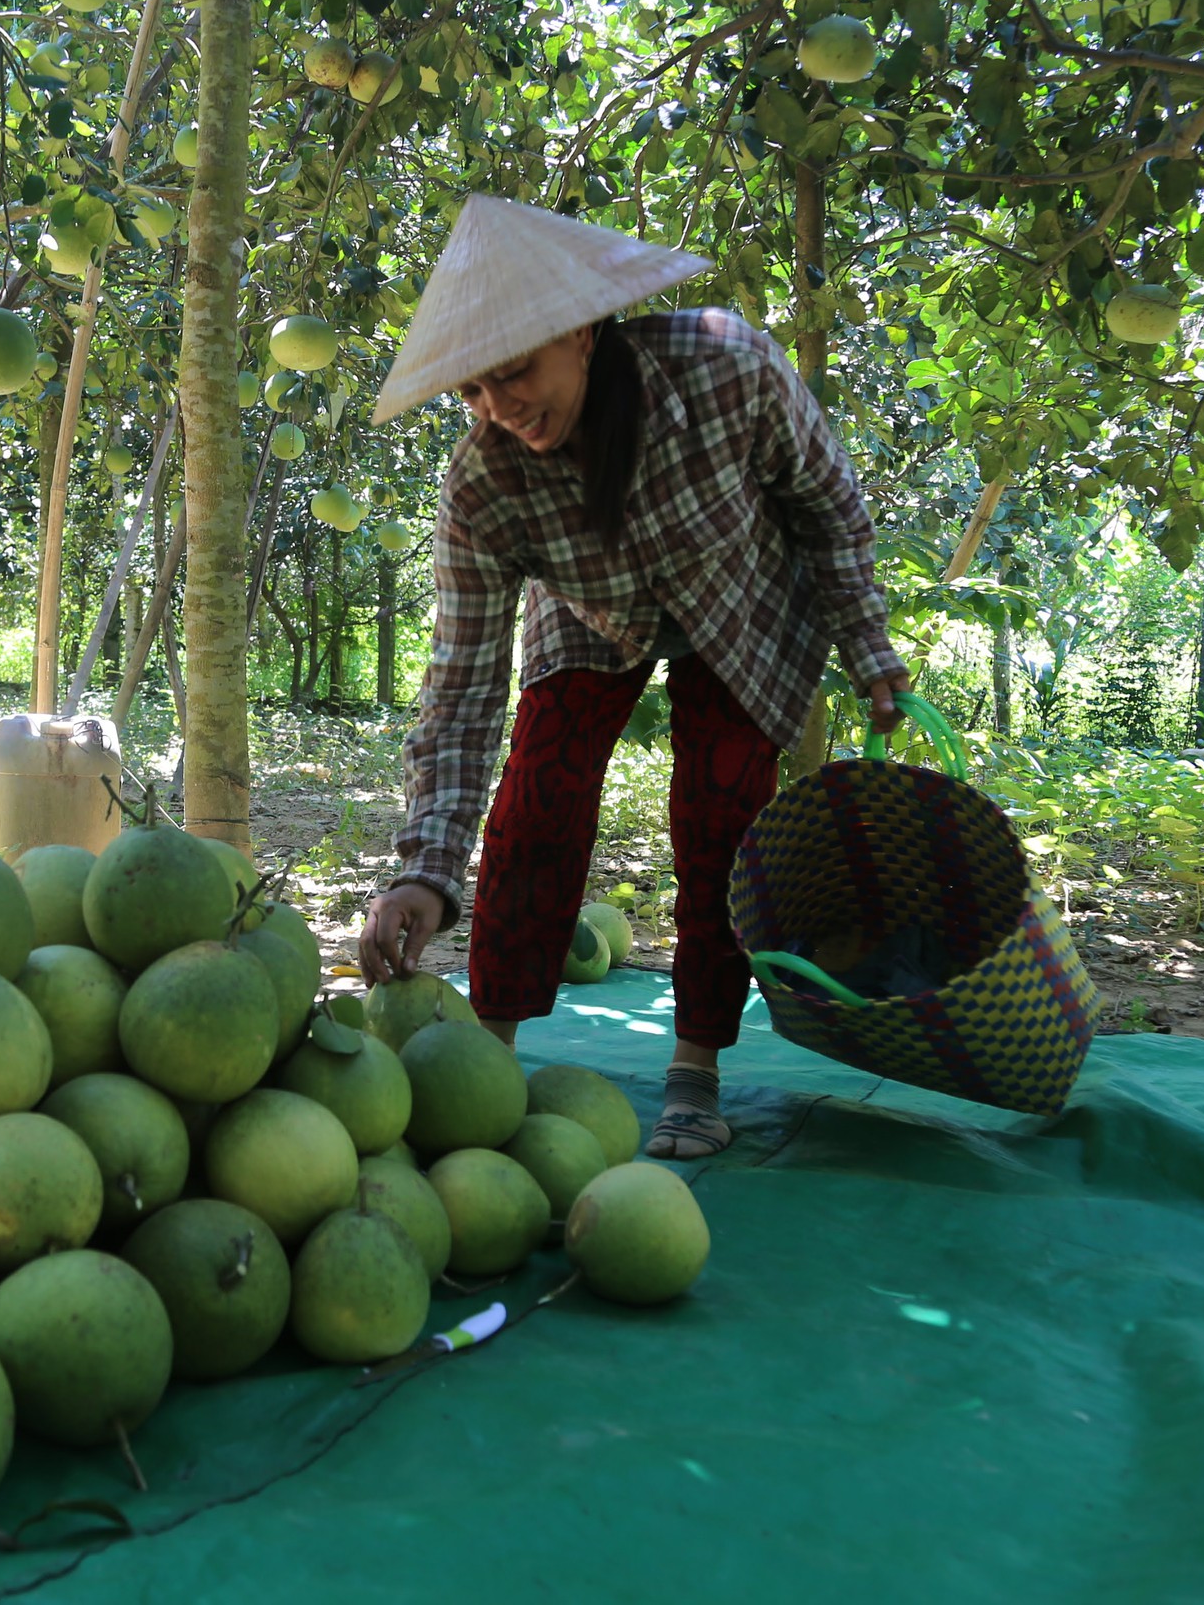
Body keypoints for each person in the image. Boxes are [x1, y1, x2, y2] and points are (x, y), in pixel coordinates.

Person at [356, 194, 911, 1161]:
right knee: (539, 797)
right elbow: (463, 687)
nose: (499, 406)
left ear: (580, 329)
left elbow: (830, 506)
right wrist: (424, 873)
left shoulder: (727, 367)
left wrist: (869, 647)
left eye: (515, 372)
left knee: (722, 815)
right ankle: (490, 1058)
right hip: (590, 614)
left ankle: (695, 1069)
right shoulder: (484, 484)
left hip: (743, 600)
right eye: (472, 391)